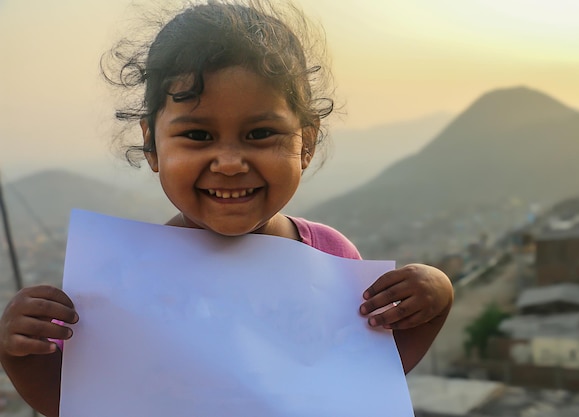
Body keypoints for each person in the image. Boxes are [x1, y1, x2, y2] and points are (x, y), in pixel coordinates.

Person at [0, 1, 454, 416]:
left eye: (260, 134)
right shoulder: (122, 283)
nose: (231, 163)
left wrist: (435, 300)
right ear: (151, 143)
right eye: (197, 136)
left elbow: (367, 381)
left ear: (307, 143)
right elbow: (74, 403)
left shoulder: (331, 257)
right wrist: (17, 352)